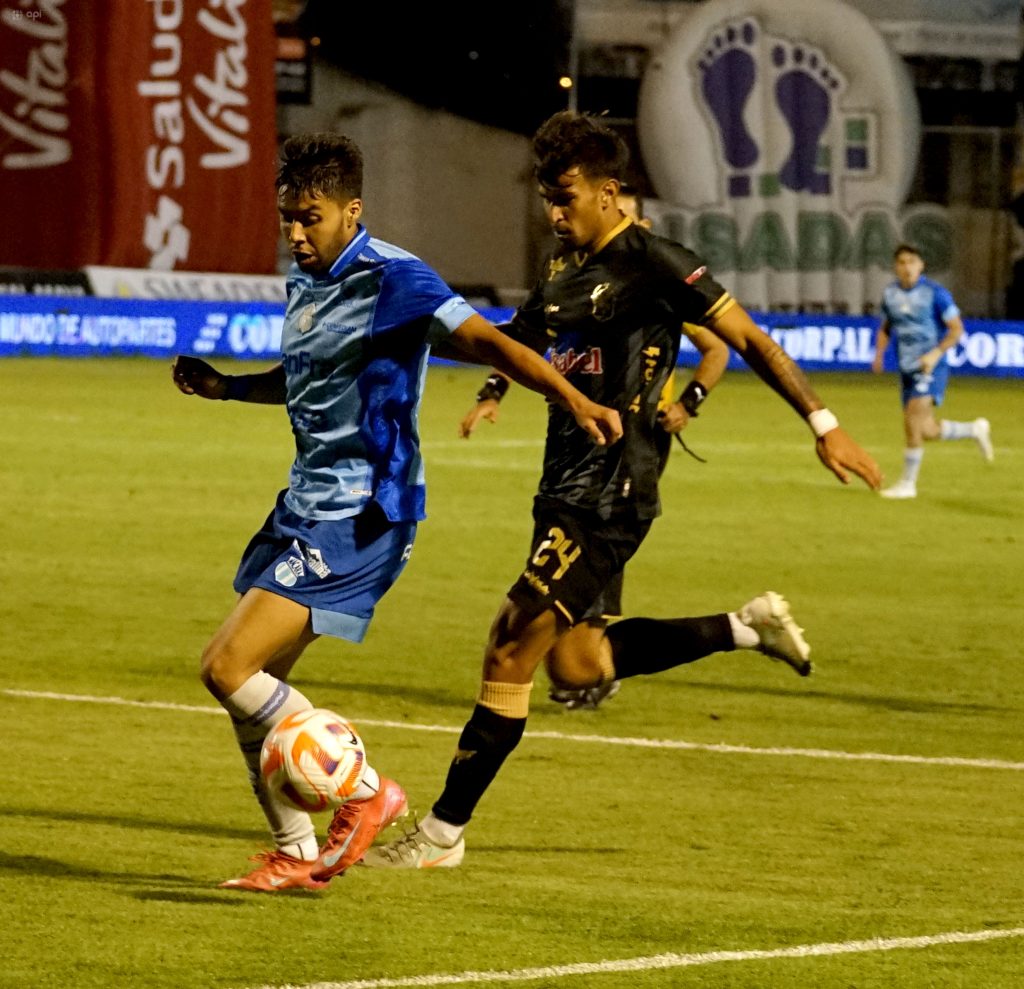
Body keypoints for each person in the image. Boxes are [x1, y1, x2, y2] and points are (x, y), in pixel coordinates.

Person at [361, 111, 881, 870]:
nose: (554, 212)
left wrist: (824, 423)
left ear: (609, 193)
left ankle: (441, 833)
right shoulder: (562, 268)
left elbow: (748, 340)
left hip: (611, 493)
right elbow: (518, 340)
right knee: (576, 664)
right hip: (561, 487)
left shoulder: (656, 262)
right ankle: (744, 627)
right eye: (547, 197)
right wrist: (457, 360)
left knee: (509, 646)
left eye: (565, 197)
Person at [170, 132, 622, 892]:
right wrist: (228, 388)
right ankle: (296, 853)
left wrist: (573, 398)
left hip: (362, 515)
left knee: (226, 666)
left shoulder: (396, 278)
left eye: (310, 217)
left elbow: (490, 343)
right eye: (287, 217)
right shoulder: (306, 280)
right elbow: (306, 378)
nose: (295, 233)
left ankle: (367, 791)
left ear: (353, 211)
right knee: (254, 690)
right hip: (303, 506)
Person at [459, 185, 731, 711]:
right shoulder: (573, 279)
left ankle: (588, 653)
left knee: (564, 622)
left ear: (640, 225)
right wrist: (491, 392)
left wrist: (688, 403)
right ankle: (592, 654)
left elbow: (718, 346)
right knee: (563, 646)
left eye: (628, 217)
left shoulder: (657, 283)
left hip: (626, 450)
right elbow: (526, 344)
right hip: (567, 452)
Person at [872, 244, 993, 499]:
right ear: (896, 267)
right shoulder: (891, 294)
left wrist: (935, 354)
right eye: (902, 262)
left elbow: (956, 329)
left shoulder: (935, 293)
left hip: (931, 367)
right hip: (907, 367)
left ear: (921, 265)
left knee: (912, 420)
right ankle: (973, 430)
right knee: (926, 430)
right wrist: (879, 354)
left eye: (911, 262)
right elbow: (886, 326)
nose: (907, 267)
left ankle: (908, 484)